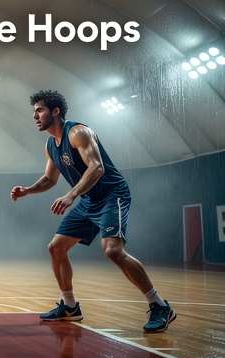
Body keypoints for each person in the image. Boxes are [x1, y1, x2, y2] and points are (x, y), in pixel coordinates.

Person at [11, 90, 176, 333]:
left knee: (112, 250)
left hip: (112, 195)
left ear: (55, 112)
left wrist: (71, 195)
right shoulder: (50, 145)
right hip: (88, 200)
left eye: (40, 110)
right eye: (34, 111)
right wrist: (28, 190)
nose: (35, 115)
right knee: (55, 248)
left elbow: (96, 168)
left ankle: (159, 305)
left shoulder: (78, 132)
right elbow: (49, 179)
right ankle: (70, 307)